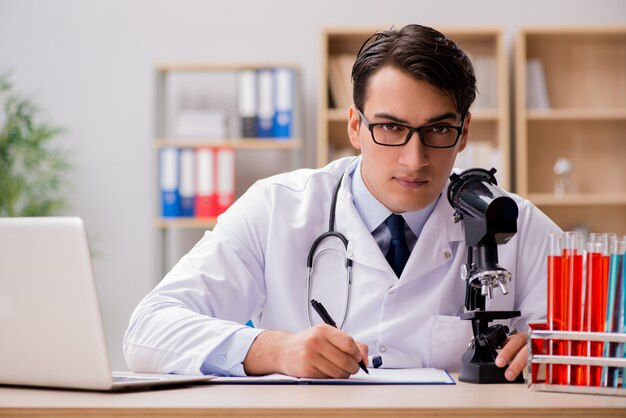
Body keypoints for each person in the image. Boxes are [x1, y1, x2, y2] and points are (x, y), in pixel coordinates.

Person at [124, 24, 561, 381]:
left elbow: (604, 341)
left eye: (438, 130)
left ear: (464, 132)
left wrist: (553, 356)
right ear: (355, 126)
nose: (415, 158)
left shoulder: (514, 222)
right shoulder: (276, 209)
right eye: (390, 128)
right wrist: (274, 349)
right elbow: (148, 331)